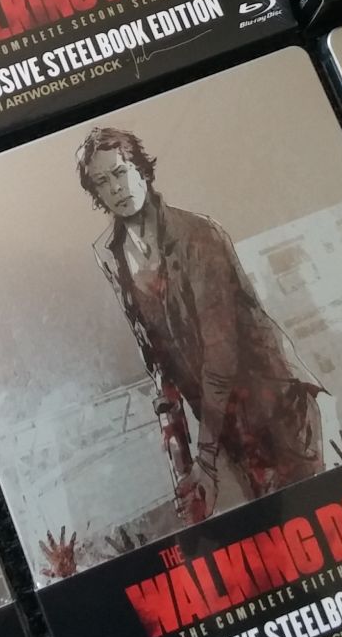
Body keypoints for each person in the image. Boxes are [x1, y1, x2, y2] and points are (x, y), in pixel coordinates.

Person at [77, 127, 323, 521]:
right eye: (102, 182)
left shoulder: (198, 235)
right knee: (269, 523)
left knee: (311, 518)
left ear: (141, 170)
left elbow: (221, 353)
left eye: (120, 172)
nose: (116, 188)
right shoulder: (111, 254)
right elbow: (157, 362)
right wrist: (183, 467)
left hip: (275, 407)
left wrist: (205, 460)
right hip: (222, 424)